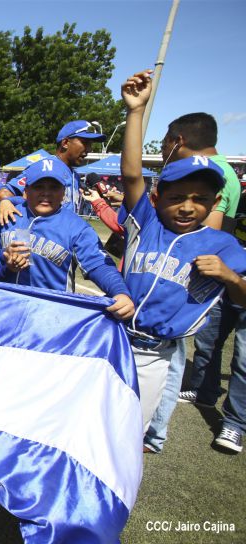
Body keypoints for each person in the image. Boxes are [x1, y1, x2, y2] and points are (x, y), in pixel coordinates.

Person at [118, 70, 246, 432]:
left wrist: (230, 276)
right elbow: (131, 176)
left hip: (155, 354)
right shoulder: (149, 221)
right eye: (177, 198)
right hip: (113, 336)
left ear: (216, 201)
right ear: (157, 199)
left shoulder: (223, 246)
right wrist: (136, 111)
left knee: (129, 432)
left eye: (200, 199)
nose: (188, 207)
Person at [0, 159, 135, 322]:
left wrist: (119, 292)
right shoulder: (6, 215)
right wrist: (5, 200)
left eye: (54, 187)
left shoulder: (77, 228)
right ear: (26, 190)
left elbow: (98, 264)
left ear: (64, 192)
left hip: (50, 317)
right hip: (3, 311)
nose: (46, 193)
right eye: (39, 186)